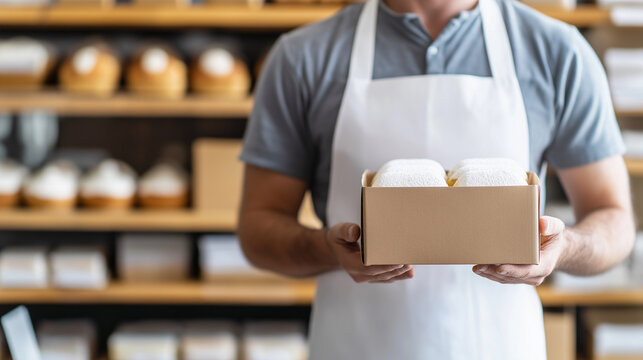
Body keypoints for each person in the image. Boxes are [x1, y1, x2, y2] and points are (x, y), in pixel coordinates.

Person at [237, 0, 636, 358]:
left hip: (499, 345)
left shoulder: (557, 52)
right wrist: (327, 248)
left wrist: (562, 248)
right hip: (354, 342)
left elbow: (614, 220)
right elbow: (258, 227)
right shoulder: (302, 57)